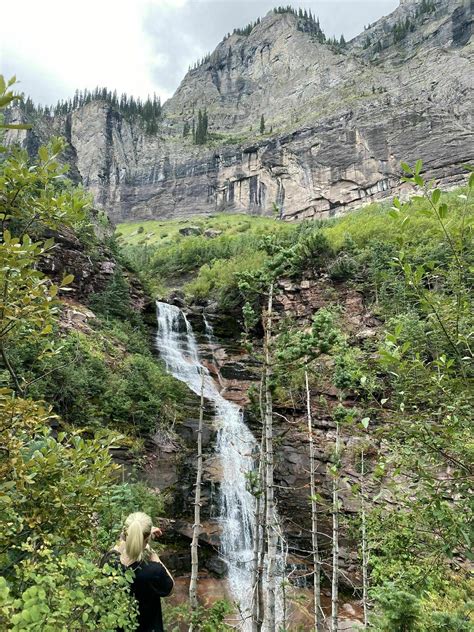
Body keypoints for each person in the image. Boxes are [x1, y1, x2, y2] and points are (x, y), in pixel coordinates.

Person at [102, 512, 174, 632]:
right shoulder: (153, 570)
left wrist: (136, 536)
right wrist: (150, 549)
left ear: (125, 534)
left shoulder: (109, 562)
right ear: (147, 539)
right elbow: (170, 589)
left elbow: (116, 549)